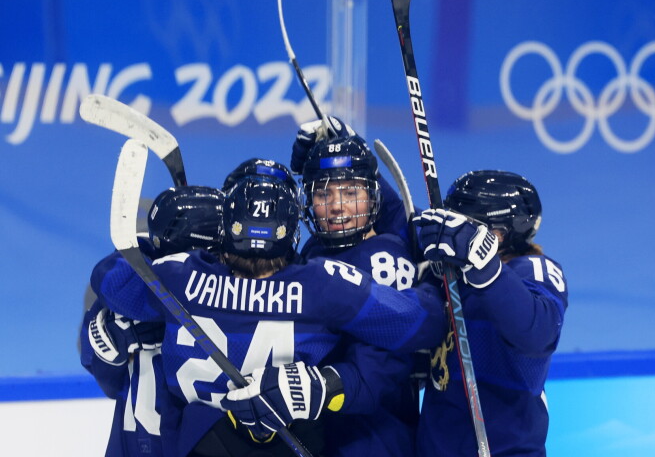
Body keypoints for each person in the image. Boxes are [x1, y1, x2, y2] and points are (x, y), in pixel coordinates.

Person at [91, 165, 446, 456]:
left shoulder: (177, 276)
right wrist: (429, 279)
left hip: (196, 444)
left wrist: (154, 242)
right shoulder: (322, 284)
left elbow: (110, 281)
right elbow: (420, 324)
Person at [221, 120, 430, 457]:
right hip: (315, 431)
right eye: (323, 193)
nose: (337, 206)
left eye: (350, 192)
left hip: (372, 440)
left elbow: (384, 367)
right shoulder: (313, 251)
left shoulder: (385, 256)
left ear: (372, 196)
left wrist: (324, 386)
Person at [412, 170, 569, 456]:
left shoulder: (532, 269)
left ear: (499, 234)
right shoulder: (449, 271)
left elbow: (538, 333)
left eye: (470, 226)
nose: (457, 234)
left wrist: (487, 270)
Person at [80, 185, 225, 456]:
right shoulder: (237, 301)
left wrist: (139, 250)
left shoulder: (128, 294)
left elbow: (103, 374)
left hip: (140, 444)